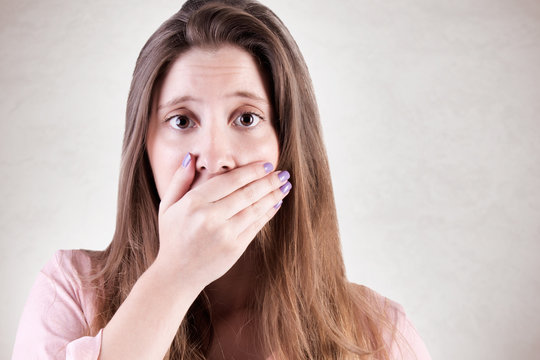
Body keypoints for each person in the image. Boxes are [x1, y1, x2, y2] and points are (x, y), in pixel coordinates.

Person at [12, 0, 432, 359]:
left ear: (288, 145)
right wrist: (174, 275)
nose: (216, 159)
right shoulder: (71, 290)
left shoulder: (379, 334)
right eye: (181, 120)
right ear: (145, 149)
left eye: (246, 118)